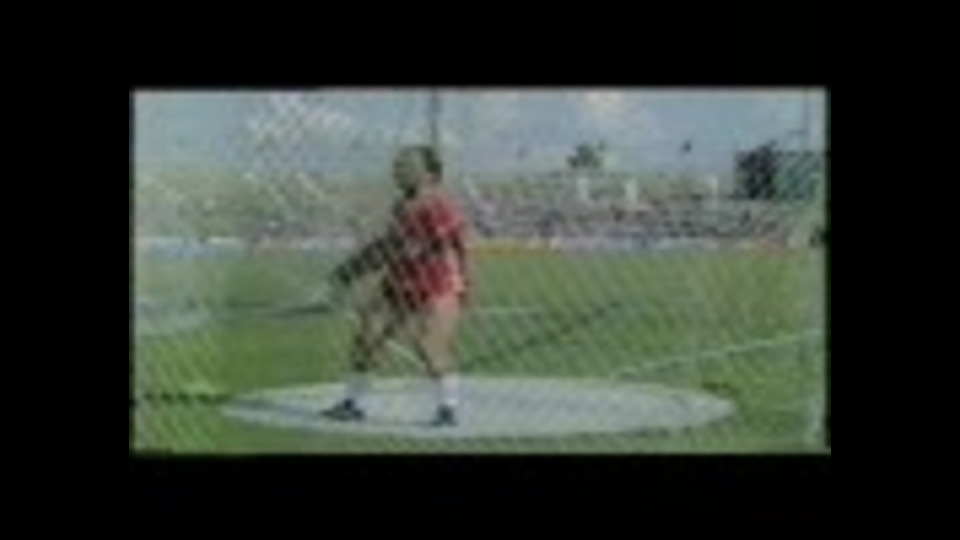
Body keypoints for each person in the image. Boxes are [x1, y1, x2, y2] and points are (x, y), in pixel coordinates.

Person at [320, 145, 469, 427]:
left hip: (438, 284)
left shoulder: (440, 208)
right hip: (399, 281)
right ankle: (352, 403)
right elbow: (389, 246)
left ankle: (447, 407)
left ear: (430, 175)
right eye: (399, 165)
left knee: (429, 345)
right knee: (366, 338)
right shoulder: (401, 206)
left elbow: (433, 244)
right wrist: (350, 270)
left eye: (408, 165)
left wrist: (358, 267)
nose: (399, 170)